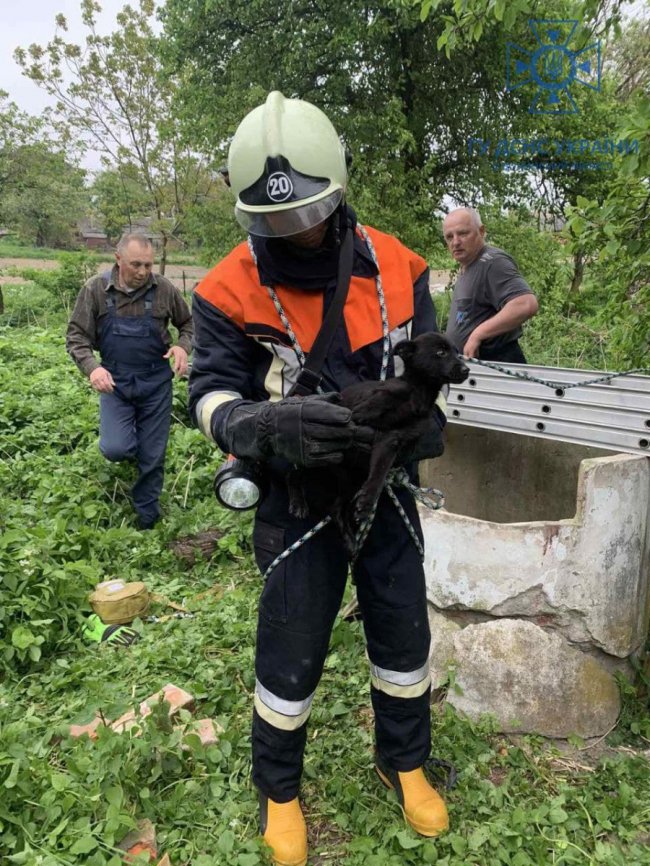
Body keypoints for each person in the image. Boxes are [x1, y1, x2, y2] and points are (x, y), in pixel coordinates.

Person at [189, 91, 451, 866]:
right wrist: (259, 427)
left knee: (402, 628)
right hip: (295, 492)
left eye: (307, 212)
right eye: (273, 220)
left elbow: (429, 368)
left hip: (383, 488)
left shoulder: (400, 266)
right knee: (291, 640)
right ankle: (279, 791)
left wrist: (423, 427)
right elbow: (209, 395)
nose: (296, 231)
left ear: (339, 187)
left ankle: (404, 762)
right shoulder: (226, 287)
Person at [66, 233, 192, 529]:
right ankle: (134, 446)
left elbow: (189, 323)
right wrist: (93, 369)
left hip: (156, 381)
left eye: (148, 265)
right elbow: (76, 337)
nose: (143, 272)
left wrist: (182, 347)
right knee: (116, 448)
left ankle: (147, 519)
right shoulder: (96, 289)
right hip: (115, 382)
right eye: (136, 264)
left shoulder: (164, 289)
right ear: (118, 258)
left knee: (153, 455)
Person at [443, 207, 538, 363]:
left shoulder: (493, 262)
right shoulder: (469, 265)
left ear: (481, 231)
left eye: (463, 233)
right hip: (474, 368)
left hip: (497, 365)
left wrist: (477, 334)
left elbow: (525, 304)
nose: (456, 242)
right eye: (449, 237)